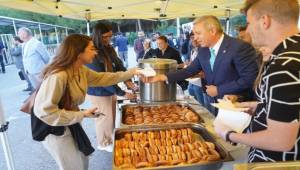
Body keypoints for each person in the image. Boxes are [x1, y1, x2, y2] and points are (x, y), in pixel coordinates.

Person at [33, 34, 139, 170]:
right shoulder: (58, 76)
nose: (95, 52)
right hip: (54, 129)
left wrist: (132, 72)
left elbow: (102, 78)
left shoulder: (80, 69)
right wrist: (81, 115)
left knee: (82, 161)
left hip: (70, 123)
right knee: (73, 166)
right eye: (92, 49)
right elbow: (45, 112)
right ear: (78, 52)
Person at [214, 0, 300, 163]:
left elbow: (280, 141)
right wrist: (260, 106)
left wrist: (229, 134)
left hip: (277, 163)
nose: (248, 30)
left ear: (265, 21)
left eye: (248, 23)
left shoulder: (284, 66)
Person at [142, 16, 258, 115]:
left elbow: (250, 79)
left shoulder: (239, 47)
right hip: (217, 105)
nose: (195, 38)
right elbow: (189, 71)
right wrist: (161, 77)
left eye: (198, 33)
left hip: (238, 107)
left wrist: (219, 90)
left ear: (212, 30)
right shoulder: (203, 50)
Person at [86, 22, 137, 152]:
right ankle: (104, 143)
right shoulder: (92, 51)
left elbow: (119, 64)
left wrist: (128, 80)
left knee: (111, 116)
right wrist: (122, 93)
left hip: (109, 89)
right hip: (98, 91)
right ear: (97, 36)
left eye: (110, 36)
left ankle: (110, 138)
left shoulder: (108, 48)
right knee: (104, 118)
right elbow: (102, 79)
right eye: (105, 37)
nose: (108, 39)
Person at [186, 32, 204, 105]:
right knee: (193, 103)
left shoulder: (203, 50)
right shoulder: (193, 50)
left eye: (195, 38)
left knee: (201, 104)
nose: (194, 40)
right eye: (192, 38)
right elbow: (191, 63)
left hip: (199, 82)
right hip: (191, 81)